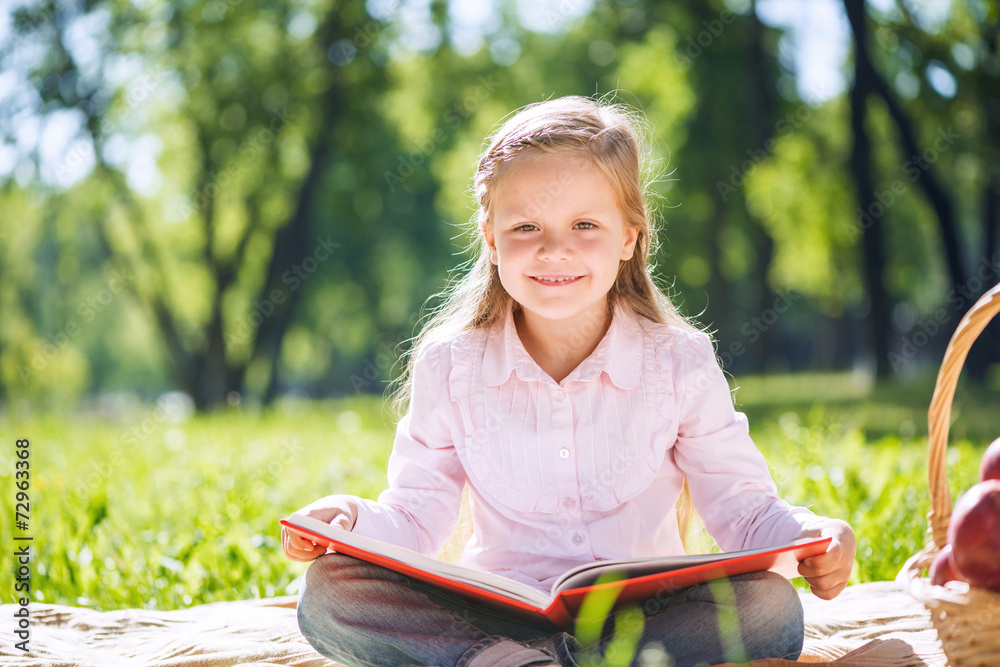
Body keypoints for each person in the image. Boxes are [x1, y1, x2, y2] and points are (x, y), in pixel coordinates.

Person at [281, 95, 856, 667]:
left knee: (768, 607)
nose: (555, 249)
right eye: (526, 226)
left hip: (650, 618)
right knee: (328, 592)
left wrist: (813, 535)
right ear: (491, 237)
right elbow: (413, 516)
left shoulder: (679, 362)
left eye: (585, 224)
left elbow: (744, 509)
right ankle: (503, 658)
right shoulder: (451, 365)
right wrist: (347, 520)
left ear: (629, 237)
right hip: (495, 619)